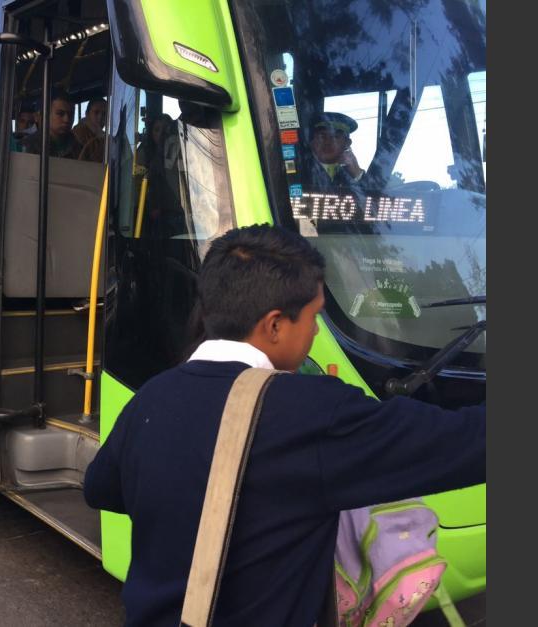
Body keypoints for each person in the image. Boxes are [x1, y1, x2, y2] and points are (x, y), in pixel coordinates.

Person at [83, 224, 485, 626]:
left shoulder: (152, 397)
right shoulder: (311, 413)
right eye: (314, 317)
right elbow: (464, 442)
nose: (313, 331)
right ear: (275, 325)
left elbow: (101, 487)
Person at [305, 111, 366, 194]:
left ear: (347, 143)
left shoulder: (351, 174)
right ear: (312, 142)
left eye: (336, 137)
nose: (328, 142)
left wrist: (357, 174)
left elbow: (369, 202)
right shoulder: (300, 170)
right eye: (322, 136)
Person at [22, 91, 83, 159]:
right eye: (60, 113)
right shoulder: (27, 146)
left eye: (71, 114)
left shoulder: (80, 147)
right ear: (43, 115)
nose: (67, 119)